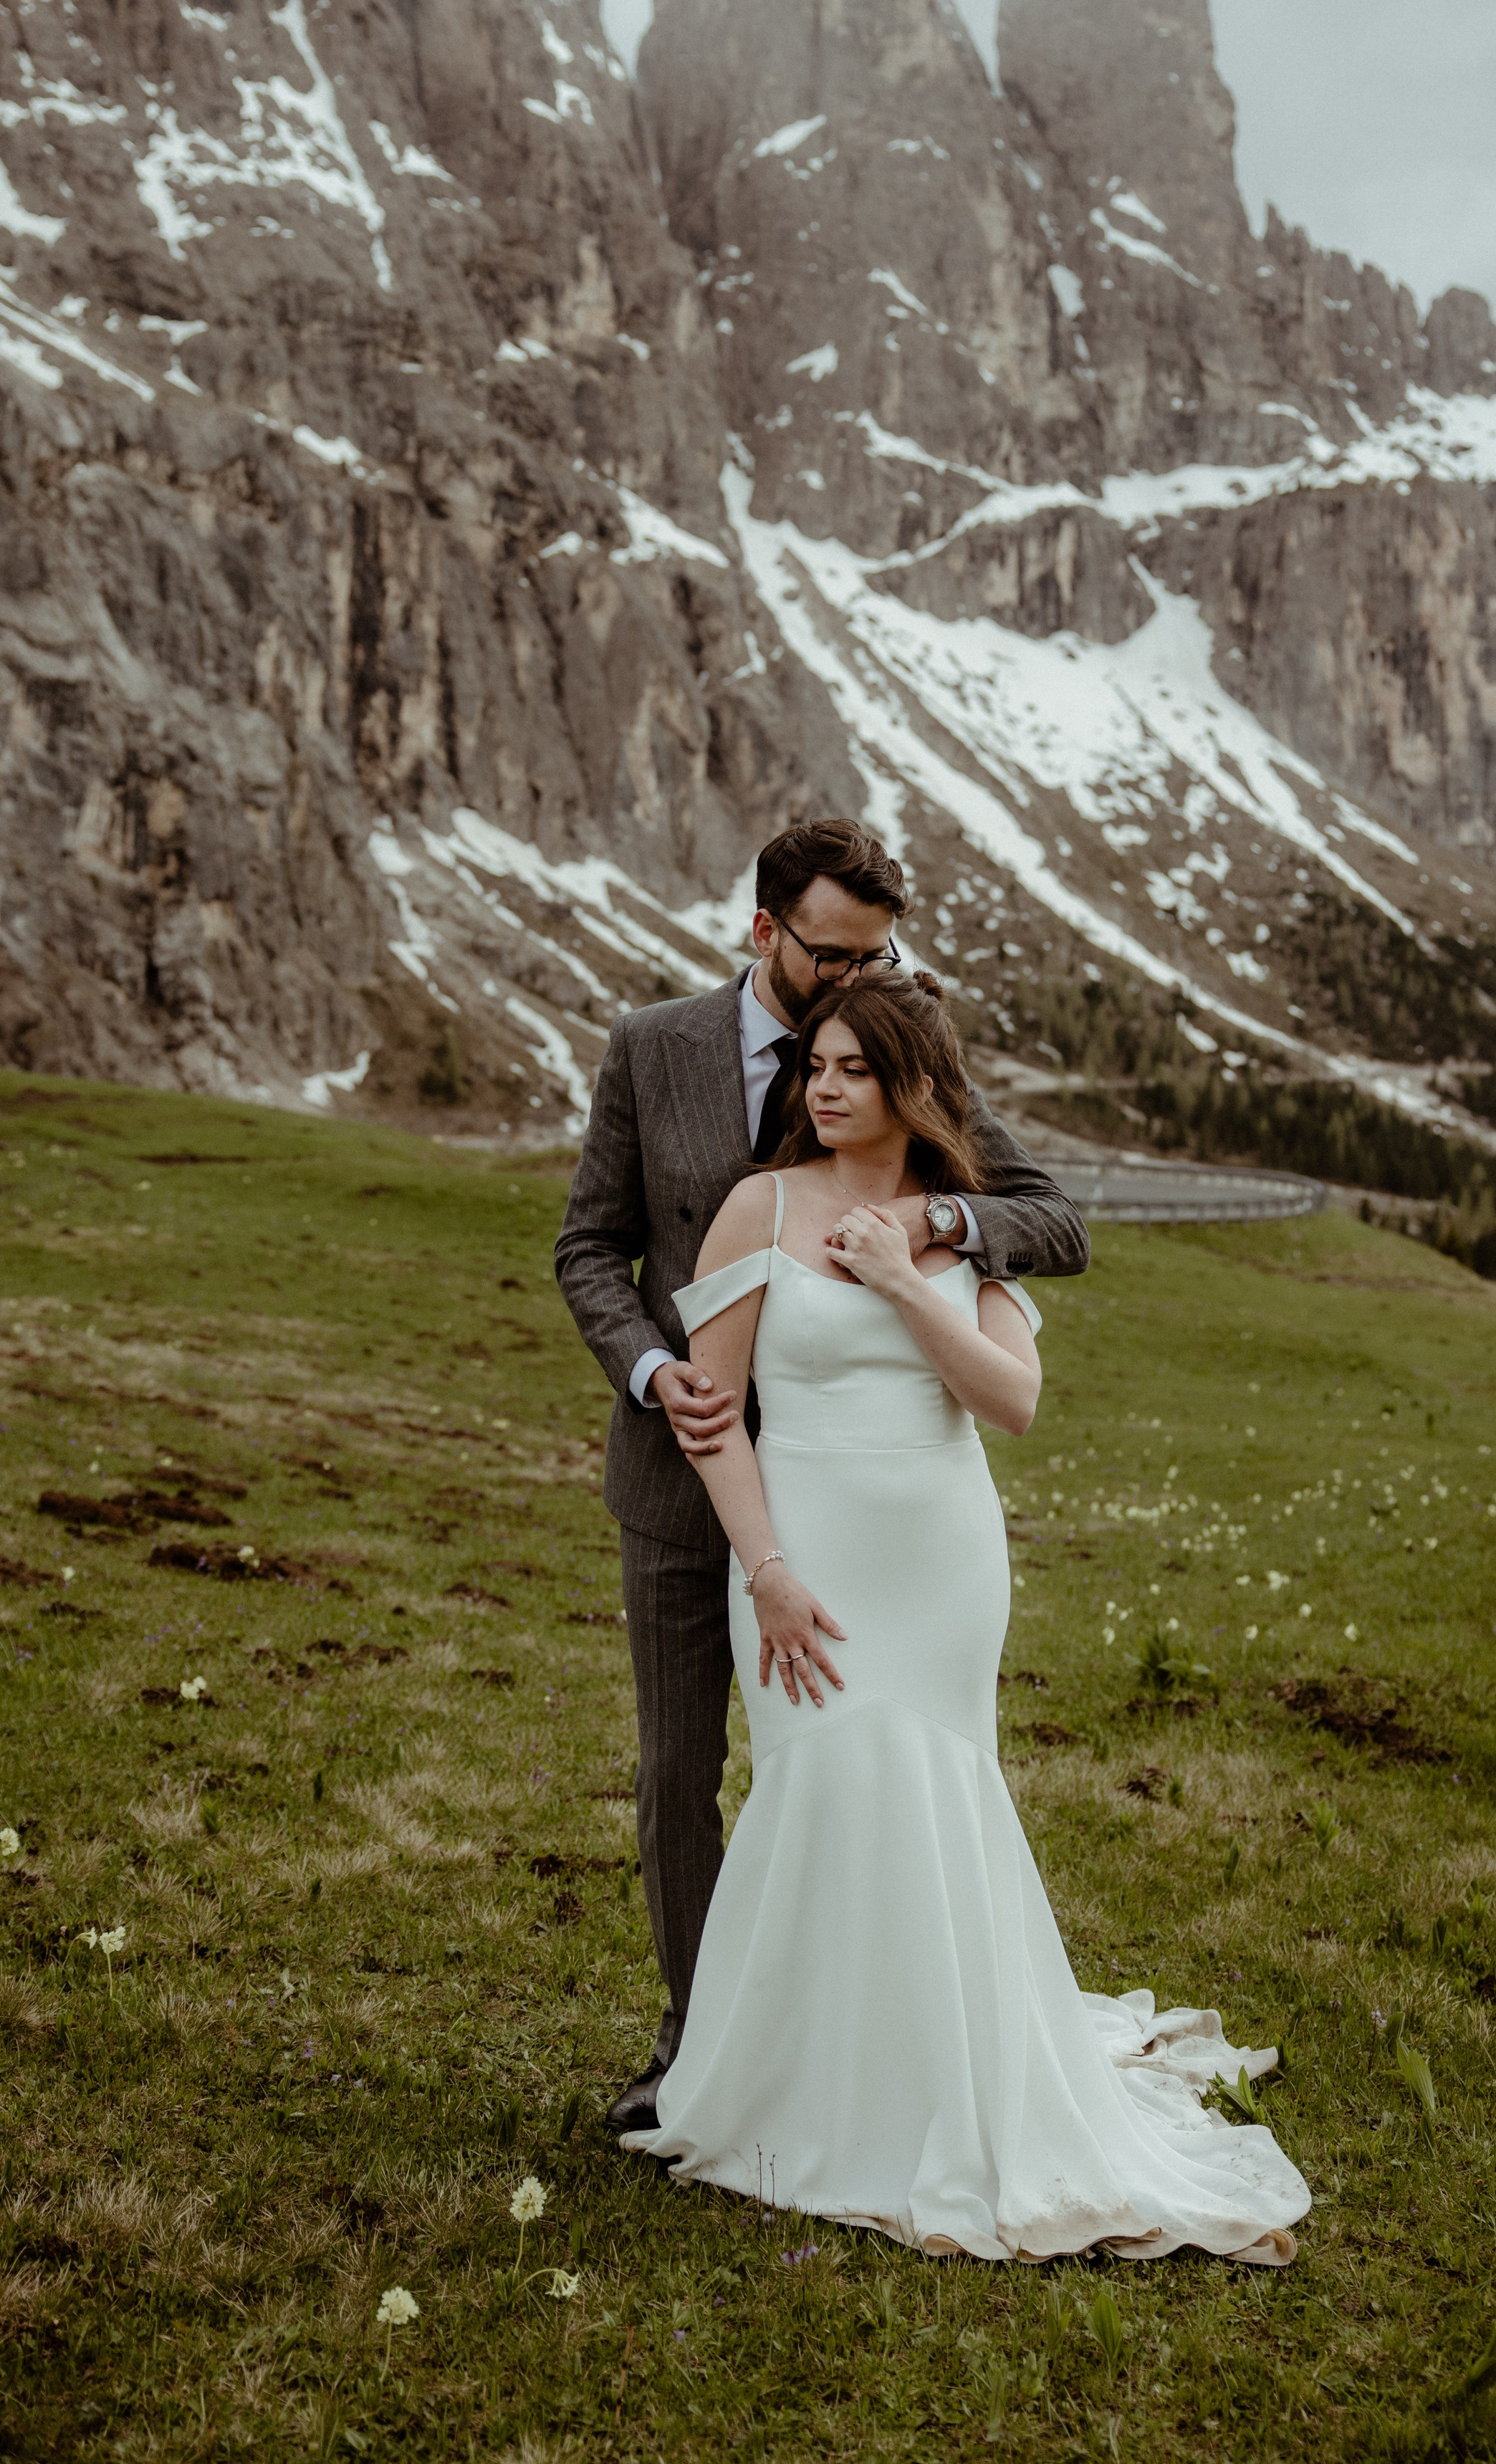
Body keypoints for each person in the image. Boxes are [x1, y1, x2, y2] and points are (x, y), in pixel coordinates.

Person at [620, 969, 1311, 2262]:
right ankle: (794, 2087)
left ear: (909, 1086)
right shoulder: (758, 1206)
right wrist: (762, 1565)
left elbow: (1012, 1401)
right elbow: (712, 1418)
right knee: (820, 1788)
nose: (822, 1089)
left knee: (938, 1795)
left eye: (851, 1072)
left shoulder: (969, 1227)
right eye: (812, 1068)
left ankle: (940, 2081)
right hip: (802, 1555)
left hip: (940, 1560)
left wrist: (902, 1274)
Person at [555, 818, 1089, 2132]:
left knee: (885, 1782)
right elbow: (589, 1250)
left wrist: (931, 1222)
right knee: (683, 1770)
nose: (855, 977)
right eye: (833, 954)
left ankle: (897, 2047)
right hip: (691, 1482)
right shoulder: (653, 1049)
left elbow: (1049, 1217)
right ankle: (701, 2046)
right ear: (765, 933)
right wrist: (650, 1370)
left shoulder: (896, 1056)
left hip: (888, 1513)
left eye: (878, 954)